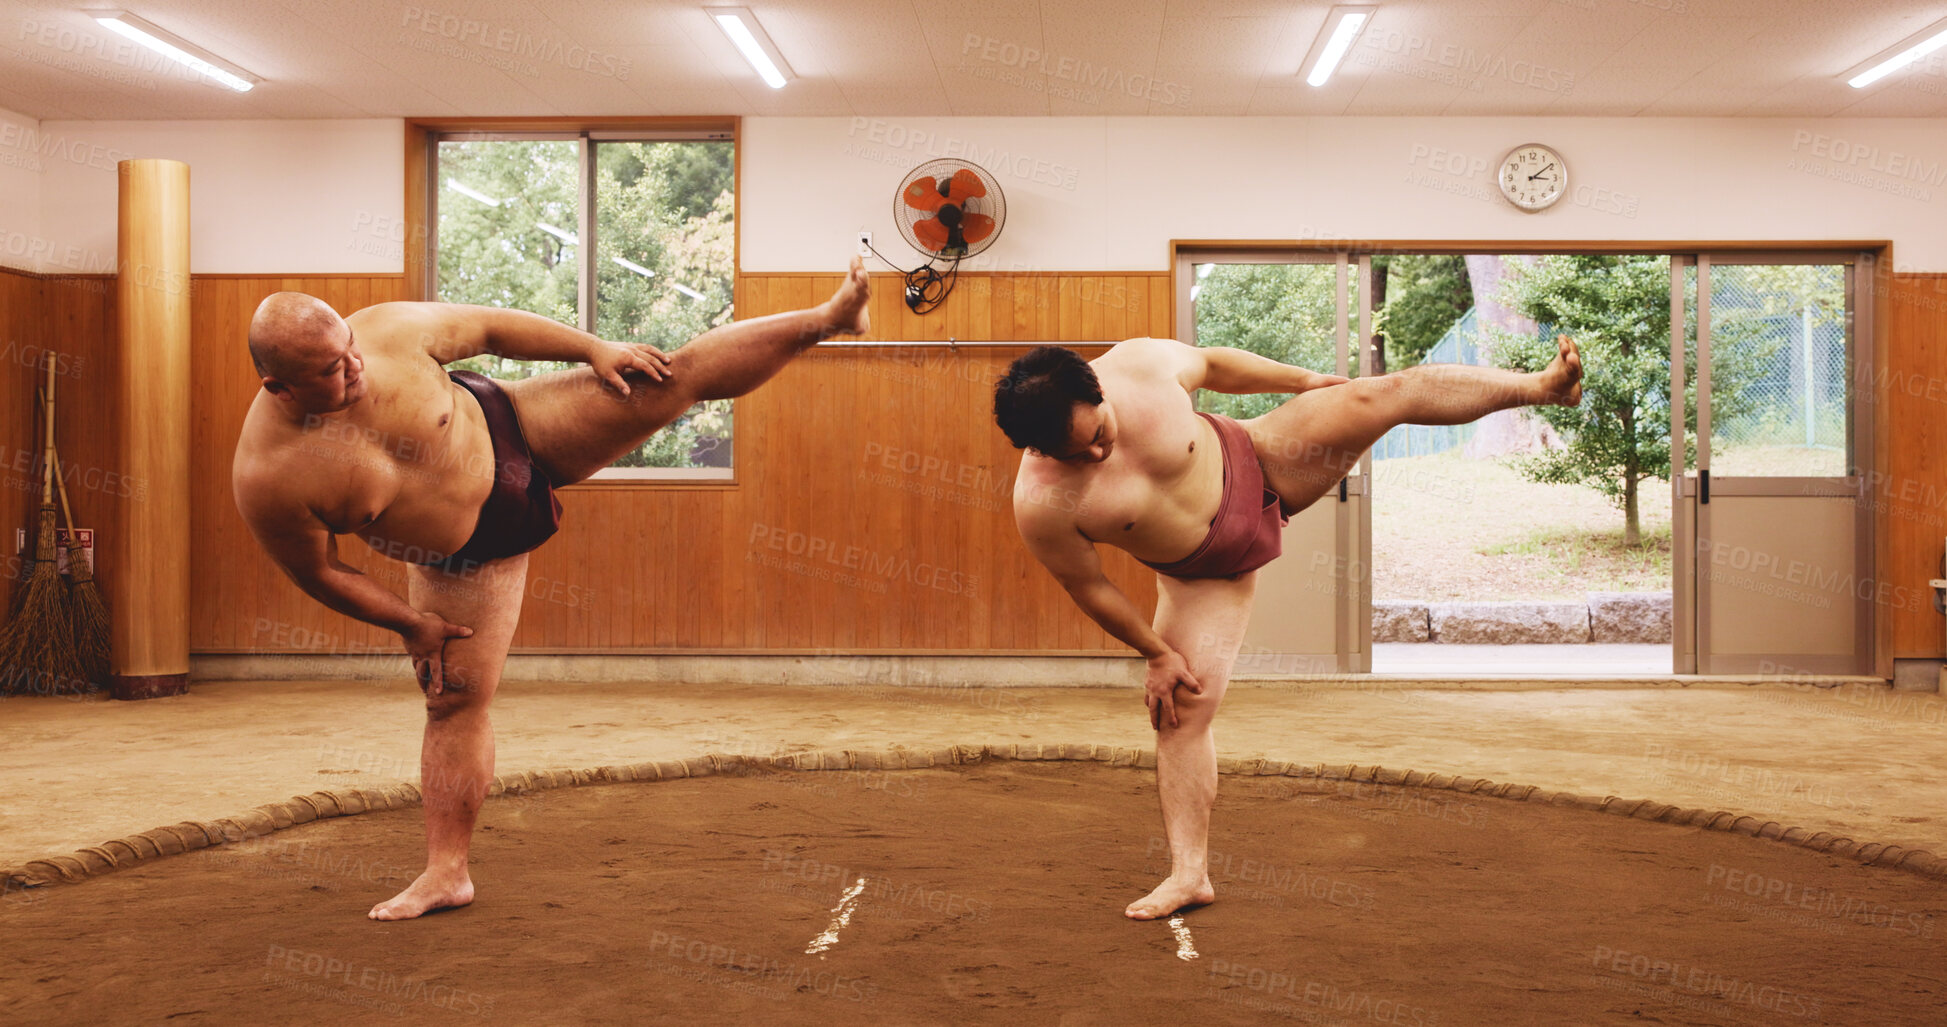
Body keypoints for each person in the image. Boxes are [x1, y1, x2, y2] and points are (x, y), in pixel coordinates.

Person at [232, 259, 872, 920]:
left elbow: (489, 328)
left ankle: (828, 319)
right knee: (452, 699)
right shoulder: (269, 475)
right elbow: (320, 573)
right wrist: (409, 623)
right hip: (468, 555)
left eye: (350, 352)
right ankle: (446, 872)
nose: (355, 368)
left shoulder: (385, 332)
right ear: (277, 385)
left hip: (512, 426)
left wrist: (592, 348)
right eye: (331, 371)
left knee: (670, 379)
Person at [994, 335, 1581, 919]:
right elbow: (1089, 587)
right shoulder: (1042, 503)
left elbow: (1218, 364)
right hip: (1206, 574)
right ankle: (1189, 876)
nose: (1095, 457)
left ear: (1097, 390)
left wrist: (1300, 383)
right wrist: (1155, 654)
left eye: (1097, 436)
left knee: (1381, 395)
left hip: (1262, 459)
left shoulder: (1140, 366)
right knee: (1179, 713)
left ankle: (1542, 387)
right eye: (1073, 455)